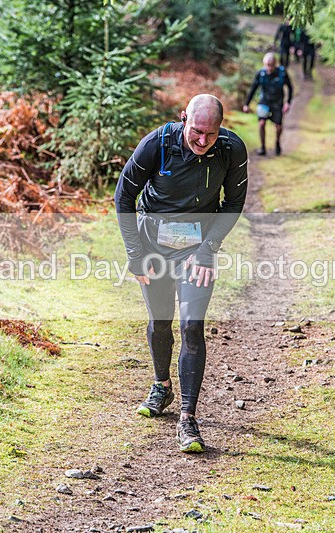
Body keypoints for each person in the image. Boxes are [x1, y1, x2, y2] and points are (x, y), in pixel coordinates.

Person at [114, 94, 248, 453]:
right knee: (161, 322)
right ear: (183, 118)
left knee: (192, 325)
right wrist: (135, 254)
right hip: (153, 243)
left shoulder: (232, 149)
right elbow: (124, 197)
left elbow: (233, 203)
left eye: (211, 133)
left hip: (196, 249)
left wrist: (207, 251)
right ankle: (161, 386)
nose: (203, 141)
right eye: (196, 131)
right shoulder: (156, 143)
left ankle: (188, 418)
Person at [242, 53, 293, 156]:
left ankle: (277, 142)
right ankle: (262, 147)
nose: (269, 68)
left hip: (278, 102)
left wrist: (288, 102)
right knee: (261, 123)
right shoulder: (261, 74)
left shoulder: (282, 73)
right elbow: (253, 88)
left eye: (271, 65)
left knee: (278, 127)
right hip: (264, 102)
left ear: (275, 64)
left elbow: (290, 87)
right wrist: (246, 104)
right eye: (267, 65)